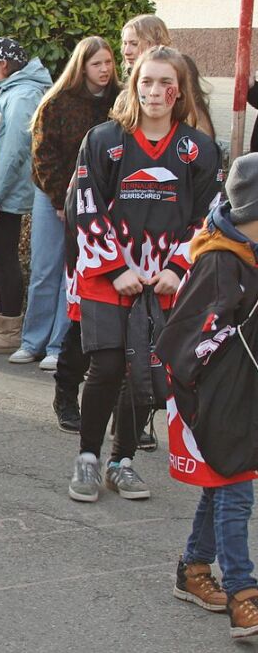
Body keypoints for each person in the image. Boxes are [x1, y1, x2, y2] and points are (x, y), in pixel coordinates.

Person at [67, 46, 221, 504]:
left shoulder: (199, 148)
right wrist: (115, 268)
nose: (155, 91)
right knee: (108, 365)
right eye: (146, 81)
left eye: (164, 83)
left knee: (145, 371)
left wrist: (177, 267)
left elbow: (207, 217)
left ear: (179, 91)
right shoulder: (103, 140)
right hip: (107, 276)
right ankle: (89, 458)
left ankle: (123, 461)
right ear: (134, 85)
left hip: (166, 282)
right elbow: (85, 205)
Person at [156, 154, 258, 639]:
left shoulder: (247, 256)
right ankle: (244, 593)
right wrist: (203, 406)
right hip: (213, 401)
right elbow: (185, 343)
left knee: (223, 486)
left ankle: (194, 570)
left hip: (240, 398)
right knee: (236, 493)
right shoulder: (221, 261)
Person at [18, 37, 120, 430]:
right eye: (97, 63)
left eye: (108, 62)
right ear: (82, 66)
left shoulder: (117, 104)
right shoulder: (57, 102)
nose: (105, 69)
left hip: (98, 201)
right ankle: (33, 340)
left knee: (74, 277)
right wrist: (61, 199)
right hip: (54, 195)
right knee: (45, 268)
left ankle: (59, 345)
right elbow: (44, 151)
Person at [0, 38, 53, 354]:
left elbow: (12, 150)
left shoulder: (22, 95)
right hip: (4, 191)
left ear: (5, 64)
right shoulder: (16, 91)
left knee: (4, 258)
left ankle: (8, 327)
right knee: (1, 257)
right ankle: (1, 323)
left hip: (6, 193)